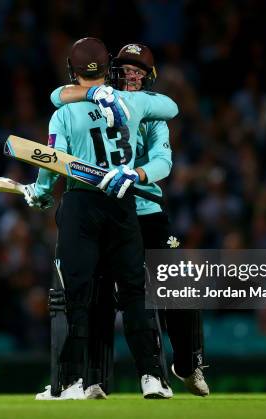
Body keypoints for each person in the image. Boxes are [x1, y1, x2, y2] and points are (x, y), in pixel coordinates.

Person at [50, 43, 209, 396]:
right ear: (112, 72)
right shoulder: (90, 101)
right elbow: (57, 97)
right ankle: (93, 378)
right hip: (107, 209)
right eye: (126, 70)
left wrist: (135, 174)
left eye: (139, 72)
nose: (132, 76)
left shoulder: (149, 112)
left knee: (177, 287)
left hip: (145, 209)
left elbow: (163, 163)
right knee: (103, 296)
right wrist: (93, 91)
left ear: (148, 77)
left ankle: (186, 362)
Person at [25, 37, 178, 400]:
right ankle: (153, 377)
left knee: (78, 293)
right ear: (107, 67)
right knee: (134, 292)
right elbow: (171, 107)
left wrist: (41, 192)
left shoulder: (62, 111)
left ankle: (73, 382)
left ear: (71, 71)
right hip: (122, 203)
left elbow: (54, 160)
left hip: (81, 204)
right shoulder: (130, 100)